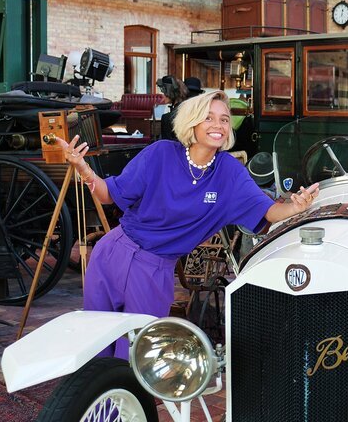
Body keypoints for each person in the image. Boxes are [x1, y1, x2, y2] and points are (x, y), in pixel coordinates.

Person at [56, 90, 319, 359]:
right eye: (208, 118)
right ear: (191, 123)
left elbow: (269, 211)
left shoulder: (229, 173)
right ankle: (97, 401)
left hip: (154, 268)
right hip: (112, 252)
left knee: (138, 356)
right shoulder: (160, 154)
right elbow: (109, 195)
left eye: (224, 119)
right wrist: (84, 169)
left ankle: (129, 402)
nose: (218, 125)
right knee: (96, 347)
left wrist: (295, 207)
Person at [157, 75, 189, 141]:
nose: (162, 96)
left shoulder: (167, 118)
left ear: (170, 93)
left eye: (164, 92)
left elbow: (167, 145)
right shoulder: (189, 110)